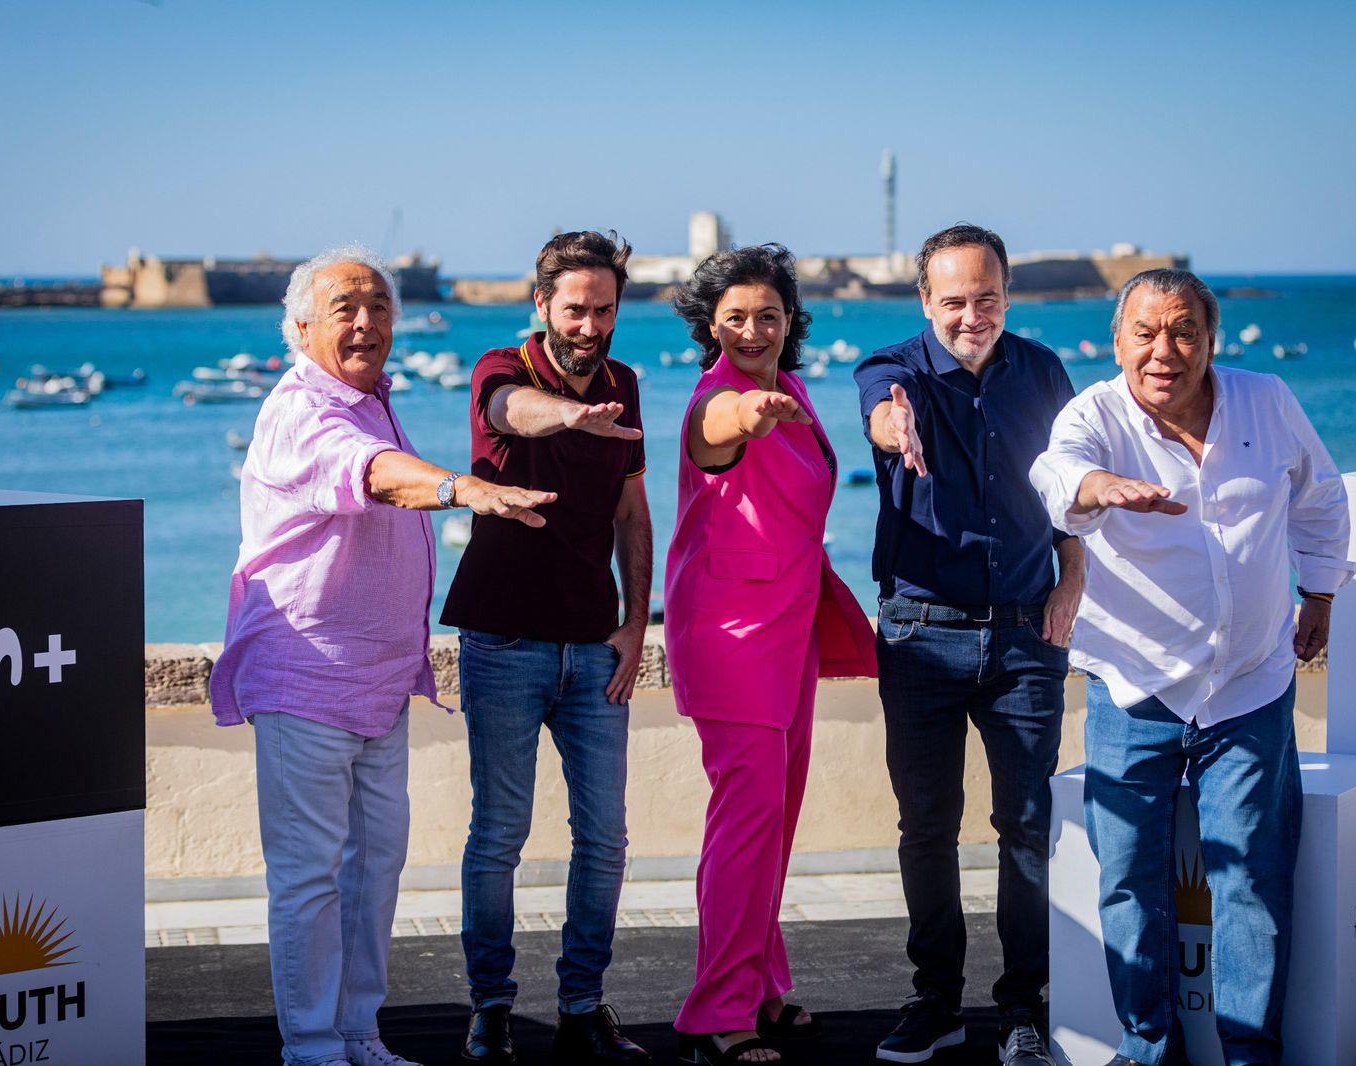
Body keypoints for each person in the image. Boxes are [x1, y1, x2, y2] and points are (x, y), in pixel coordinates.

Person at [210, 245, 552, 1066]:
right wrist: (461, 488)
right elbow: (368, 473)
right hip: (306, 679)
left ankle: (359, 1033)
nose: (366, 323)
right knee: (309, 879)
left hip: (377, 684)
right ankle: (315, 1048)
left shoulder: (371, 399)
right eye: (344, 309)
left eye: (378, 308)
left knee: (372, 877)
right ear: (299, 328)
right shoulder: (303, 409)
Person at [1029, 268, 1356, 1066]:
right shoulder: (1095, 415)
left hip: (1249, 684)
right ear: (1117, 341)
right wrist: (1099, 487)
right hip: (1132, 686)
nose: (1164, 351)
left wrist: (1319, 593)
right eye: (1145, 333)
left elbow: (1320, 498)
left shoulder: (1266, 400)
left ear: (1213, 340)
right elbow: (1055, 473)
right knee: (1129, 882)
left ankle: (1251, 1053)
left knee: (1250, 881)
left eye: (1183, 332)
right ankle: (1148, 1046)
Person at [852, 224, 1082, 1066]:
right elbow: (881, 411)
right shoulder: (893, 370)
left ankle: (1023, 1007)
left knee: (1026, 827)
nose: (971, 315)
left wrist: (1074, 573)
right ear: (925, 302)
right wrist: (891, 425)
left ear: (1007, 294)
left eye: (985, 298)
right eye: (952, 301)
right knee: (927, 828)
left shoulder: (1045, 371)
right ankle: (936, 1003)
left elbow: (1068, 489)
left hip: (1027, 634)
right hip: (921, 635)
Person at [440, 230, 652, 1066]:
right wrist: (568, 414)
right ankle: (490, 1007)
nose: (590, 325)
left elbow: (632, 516)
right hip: (503, 644)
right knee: (500, 834)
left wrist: (637, 624)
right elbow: (505, 413)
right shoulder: (502, 367)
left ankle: (581, 1006)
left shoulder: (627, 385)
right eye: (575, 308)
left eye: (603, 309)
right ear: (541, 306)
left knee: (605, 838)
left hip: (595, 648)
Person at [664, 245, 877, 1065]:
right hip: (730, 636)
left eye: (769, 316)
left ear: (791, 323)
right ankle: (717, 1015)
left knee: (773, 825)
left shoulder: (790, 389)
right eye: (736, 318)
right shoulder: (717, 398)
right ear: (710, 326)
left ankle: (759, 984)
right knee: (746, 824)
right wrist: (742, 418)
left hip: (786, 632)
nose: (753, 330)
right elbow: (714, 437)